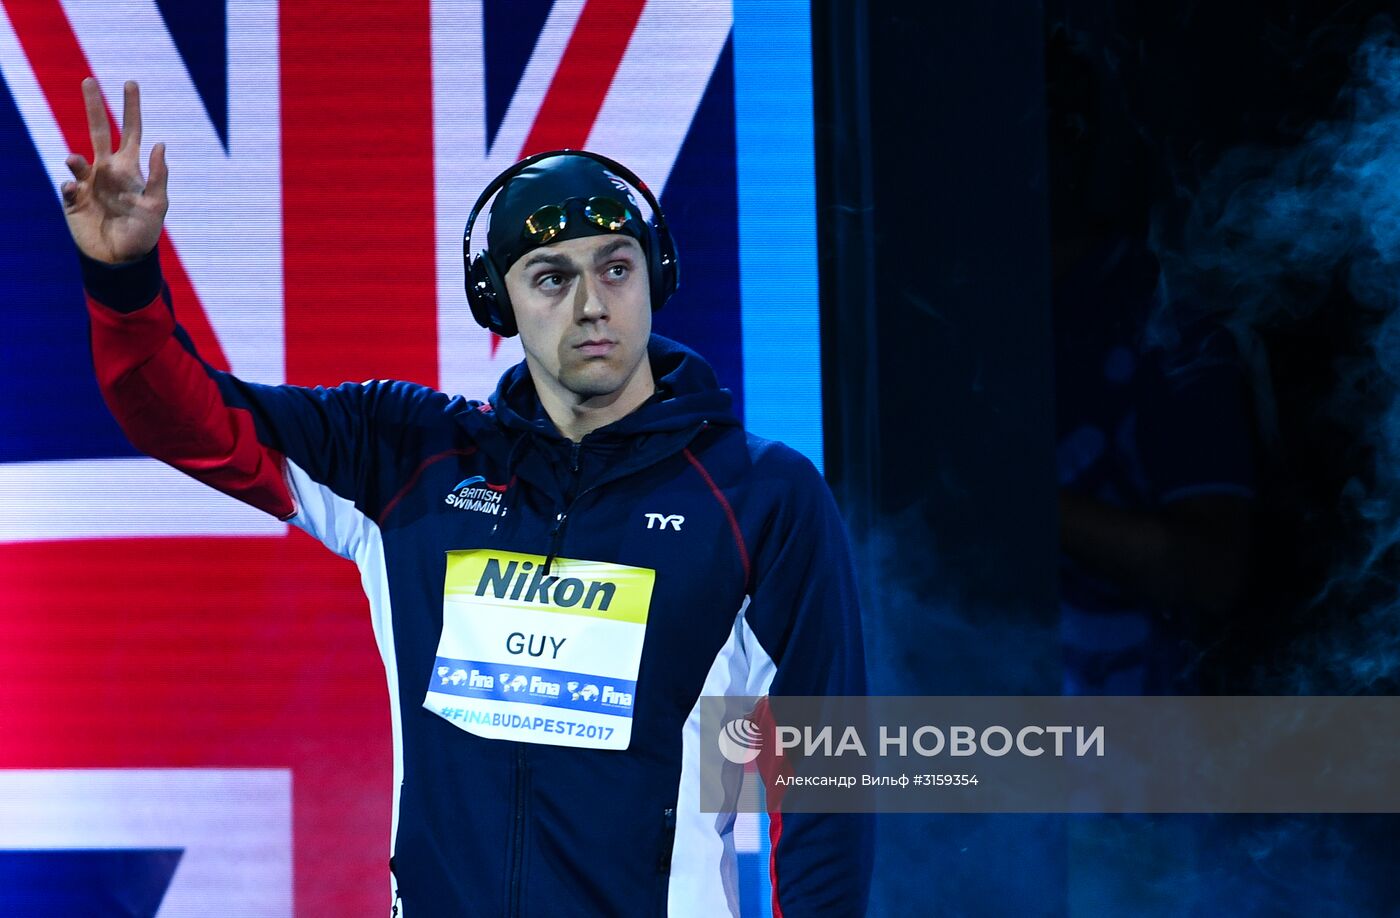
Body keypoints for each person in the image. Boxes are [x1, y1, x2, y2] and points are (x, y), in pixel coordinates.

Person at [62, 77, 872, 916]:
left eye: (616, 268)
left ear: (655, 277)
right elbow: (188, 419)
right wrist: (122, 286)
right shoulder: (409, 453)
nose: (593, 304)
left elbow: (826, 784)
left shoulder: (762, 494)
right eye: (551, 279)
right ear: (500, 304)